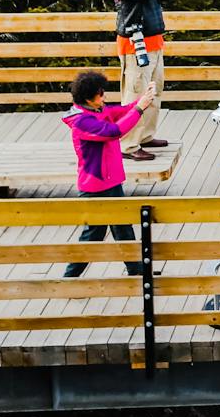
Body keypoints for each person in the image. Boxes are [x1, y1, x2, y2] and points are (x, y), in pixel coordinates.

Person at [62, 70, 159, 278]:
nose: (104, 97)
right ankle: (69, 278)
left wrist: (143, 101)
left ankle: (137, 272)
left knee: (124, 230)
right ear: (88, 98)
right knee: (92, 237)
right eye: (100, 94)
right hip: (95, 188)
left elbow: (122, 112)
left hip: (112, 182)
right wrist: (140, 109)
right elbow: (114, 132)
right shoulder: (82, 122)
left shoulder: (98, 109)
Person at [114, 0, 174, 161]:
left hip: (154, 40)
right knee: (136, 93)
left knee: (154, 90)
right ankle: (128, 144)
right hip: (134, 44)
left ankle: (145, 135)